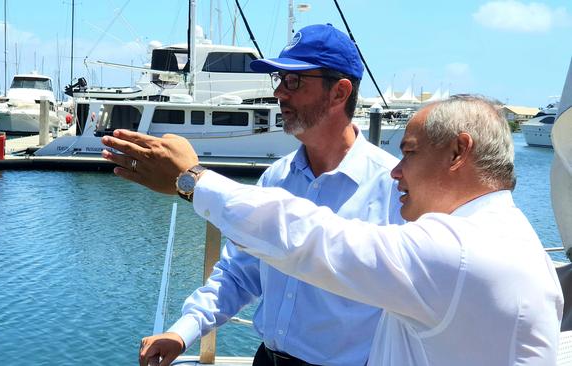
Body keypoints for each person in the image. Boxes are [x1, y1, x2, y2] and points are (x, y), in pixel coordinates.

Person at [101, 94, 564, 365]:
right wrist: (186, 328)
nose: (398, 172)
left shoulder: (459, 251)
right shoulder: (512, 238)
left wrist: (191, 180)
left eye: (410, 152)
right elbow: (247, 269)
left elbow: (315, 241)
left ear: (459, 152)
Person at [131, 23, 403, 366]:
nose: (279, 93)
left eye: (293, 81)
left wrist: (190, 180)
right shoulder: (276, 176)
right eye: (279, 80)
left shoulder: (393, 189)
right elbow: (240, 272)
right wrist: (183, 332)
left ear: (339, 92)